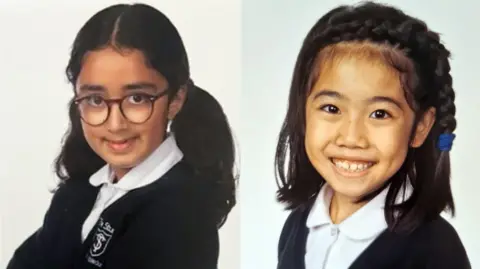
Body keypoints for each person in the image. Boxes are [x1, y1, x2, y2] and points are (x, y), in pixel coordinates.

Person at [7, 3, 237, 269]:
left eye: (137, 98)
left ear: (176, 99)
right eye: (95, 100)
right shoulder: (78, 192)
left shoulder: (181, 215)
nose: (115, 124)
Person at [275, 2, 470, 269]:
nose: (352, 138)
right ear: (303, 112)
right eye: (331, 108)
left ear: (421, 127)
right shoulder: (297, 224)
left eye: (380, 114)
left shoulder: (436, 249)